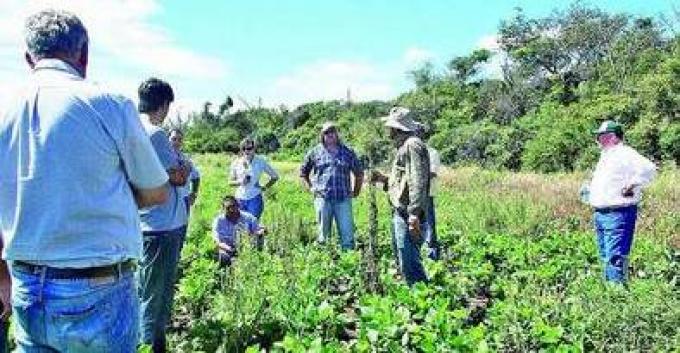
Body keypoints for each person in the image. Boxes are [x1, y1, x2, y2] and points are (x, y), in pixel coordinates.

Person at [0, 9, 168, 352]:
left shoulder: (5, 109)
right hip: (98, 287)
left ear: (29, 58)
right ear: (84, 55)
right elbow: (155, 192)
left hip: (27, 285)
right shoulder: (108, 104)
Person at [137, 78, 189, 353]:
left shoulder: (133, 129)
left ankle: (151, 342)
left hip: (149, 223)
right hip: (162, 226)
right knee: (155, 295)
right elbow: (179, 177)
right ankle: (152, 347)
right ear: (165, 104)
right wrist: (185, 166)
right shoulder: (155, 134)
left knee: (149, 290)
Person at [584, 120, 657, 284]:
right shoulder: (607, 155)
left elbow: (649, 168)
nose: (599, 140)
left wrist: (632, 184)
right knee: (605, 254)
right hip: (602, 213)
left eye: (603, 136)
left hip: (618, 213)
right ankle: (611, 290)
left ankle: (617, 293)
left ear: (614, 137)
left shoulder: (624, 153)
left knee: (615, 256)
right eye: (599, 137)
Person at [372, 107, 430, 286]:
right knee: (403, 258)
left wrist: (414, 214)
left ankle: (422, 299)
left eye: (390, 129)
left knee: (410, 262)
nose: (388, 133)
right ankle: (415, 296)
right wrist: (383, 179)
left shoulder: (412, 145)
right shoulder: (405, 146)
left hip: (407, 214)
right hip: (401, 212)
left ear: (397, 129)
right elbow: (402, 181)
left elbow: (417, 180)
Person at [300, 122, 364, 250]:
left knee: (347, 235)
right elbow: (303, 173)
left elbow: (359, 173)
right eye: (326, 132)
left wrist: (356, 192)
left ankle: (348, 262)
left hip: (343, 199)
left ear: (337, 133)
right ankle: (326, 262)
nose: (330, 135)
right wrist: (310, 188)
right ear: (322, 135)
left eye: (332, 131)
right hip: (323, 199)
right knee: (323, 236)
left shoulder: (347, 152)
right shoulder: (315, 152)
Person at [229, 137, 278, 220]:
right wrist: (240, 182)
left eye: (249, 148)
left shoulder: (261, 161)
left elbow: (275, 176)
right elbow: (230, 182)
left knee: (253, 225)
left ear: (254, 148)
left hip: (254, 198)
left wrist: (264, 187)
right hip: (239, 199)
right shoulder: (236, 162)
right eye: (243, 148)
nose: (246, 151)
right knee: (240, 224)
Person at [212, 196, 266, 267]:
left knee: (259, 237)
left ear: (238, 206)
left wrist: (260, 232)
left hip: (246, 247)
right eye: (228, 208)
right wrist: (229, 249)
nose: (232, 210)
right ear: (223, 209)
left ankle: (256, 261)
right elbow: (217, 242)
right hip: (227, 249)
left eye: (233, 207)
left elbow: (261, 229)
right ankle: (228, 271)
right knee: (223, 258)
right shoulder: (218, 221)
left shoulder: (248, 217)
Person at [417, 123, 441, 261]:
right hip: (413, 196)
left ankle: (431, 257)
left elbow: (431, 173)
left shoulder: (432, 152)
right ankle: (420, 255)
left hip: (427, 194)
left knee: (429, 225)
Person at [169, 129, 201, 217]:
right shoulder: (164, 158)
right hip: (169, 201)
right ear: (168, 140)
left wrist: (194, 193)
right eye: (174, 139)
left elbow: (196, 177)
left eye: (180, 140)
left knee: (183, 227)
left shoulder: (186, 159)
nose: (177, 142)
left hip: (184, 199)